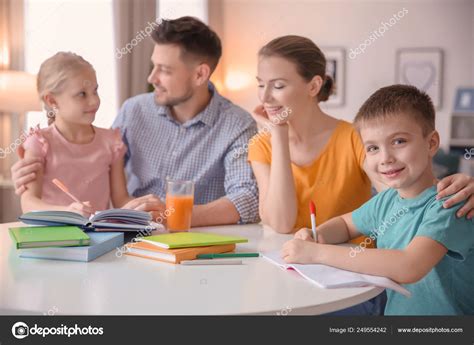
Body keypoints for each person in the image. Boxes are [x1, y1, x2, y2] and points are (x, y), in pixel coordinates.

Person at [11, 16, 260, 226]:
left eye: (165, 69)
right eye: (154, 66)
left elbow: (247, 198)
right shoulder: (134, 110)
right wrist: (29, 172)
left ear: (200, 74)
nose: (152, 77)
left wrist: (173, 215)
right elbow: (94, 163)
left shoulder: (237, 125)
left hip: (193, 243)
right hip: (131, 240)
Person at [248, 35, 474, 239]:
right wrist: (278, 133)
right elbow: (282, 224)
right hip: (292, 261)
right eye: (260, 84)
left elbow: (402, 199)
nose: (265, 97)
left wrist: (456, 189)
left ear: (314, 86)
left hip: (357, 271)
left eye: (278, 85)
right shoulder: (261, 146)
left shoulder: (354, 138)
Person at [283, 85, 474, 315]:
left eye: (399, 141)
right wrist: (316, 235)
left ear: (431, 143)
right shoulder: (386, 201)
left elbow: (409, 266)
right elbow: (345, 225)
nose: (385, 158)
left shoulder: (450, 203)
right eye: (373, 148)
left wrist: (315, 254)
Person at [20, 52, 132, 217]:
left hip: (100, 237)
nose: (94, 101)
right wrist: (68, 212)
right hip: (52, 236)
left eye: (95, 91)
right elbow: (28, 203)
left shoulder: (111, 142)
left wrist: (143, 207)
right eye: (82, 94)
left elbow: (121, 200)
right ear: (52, 101)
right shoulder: (40, 142)